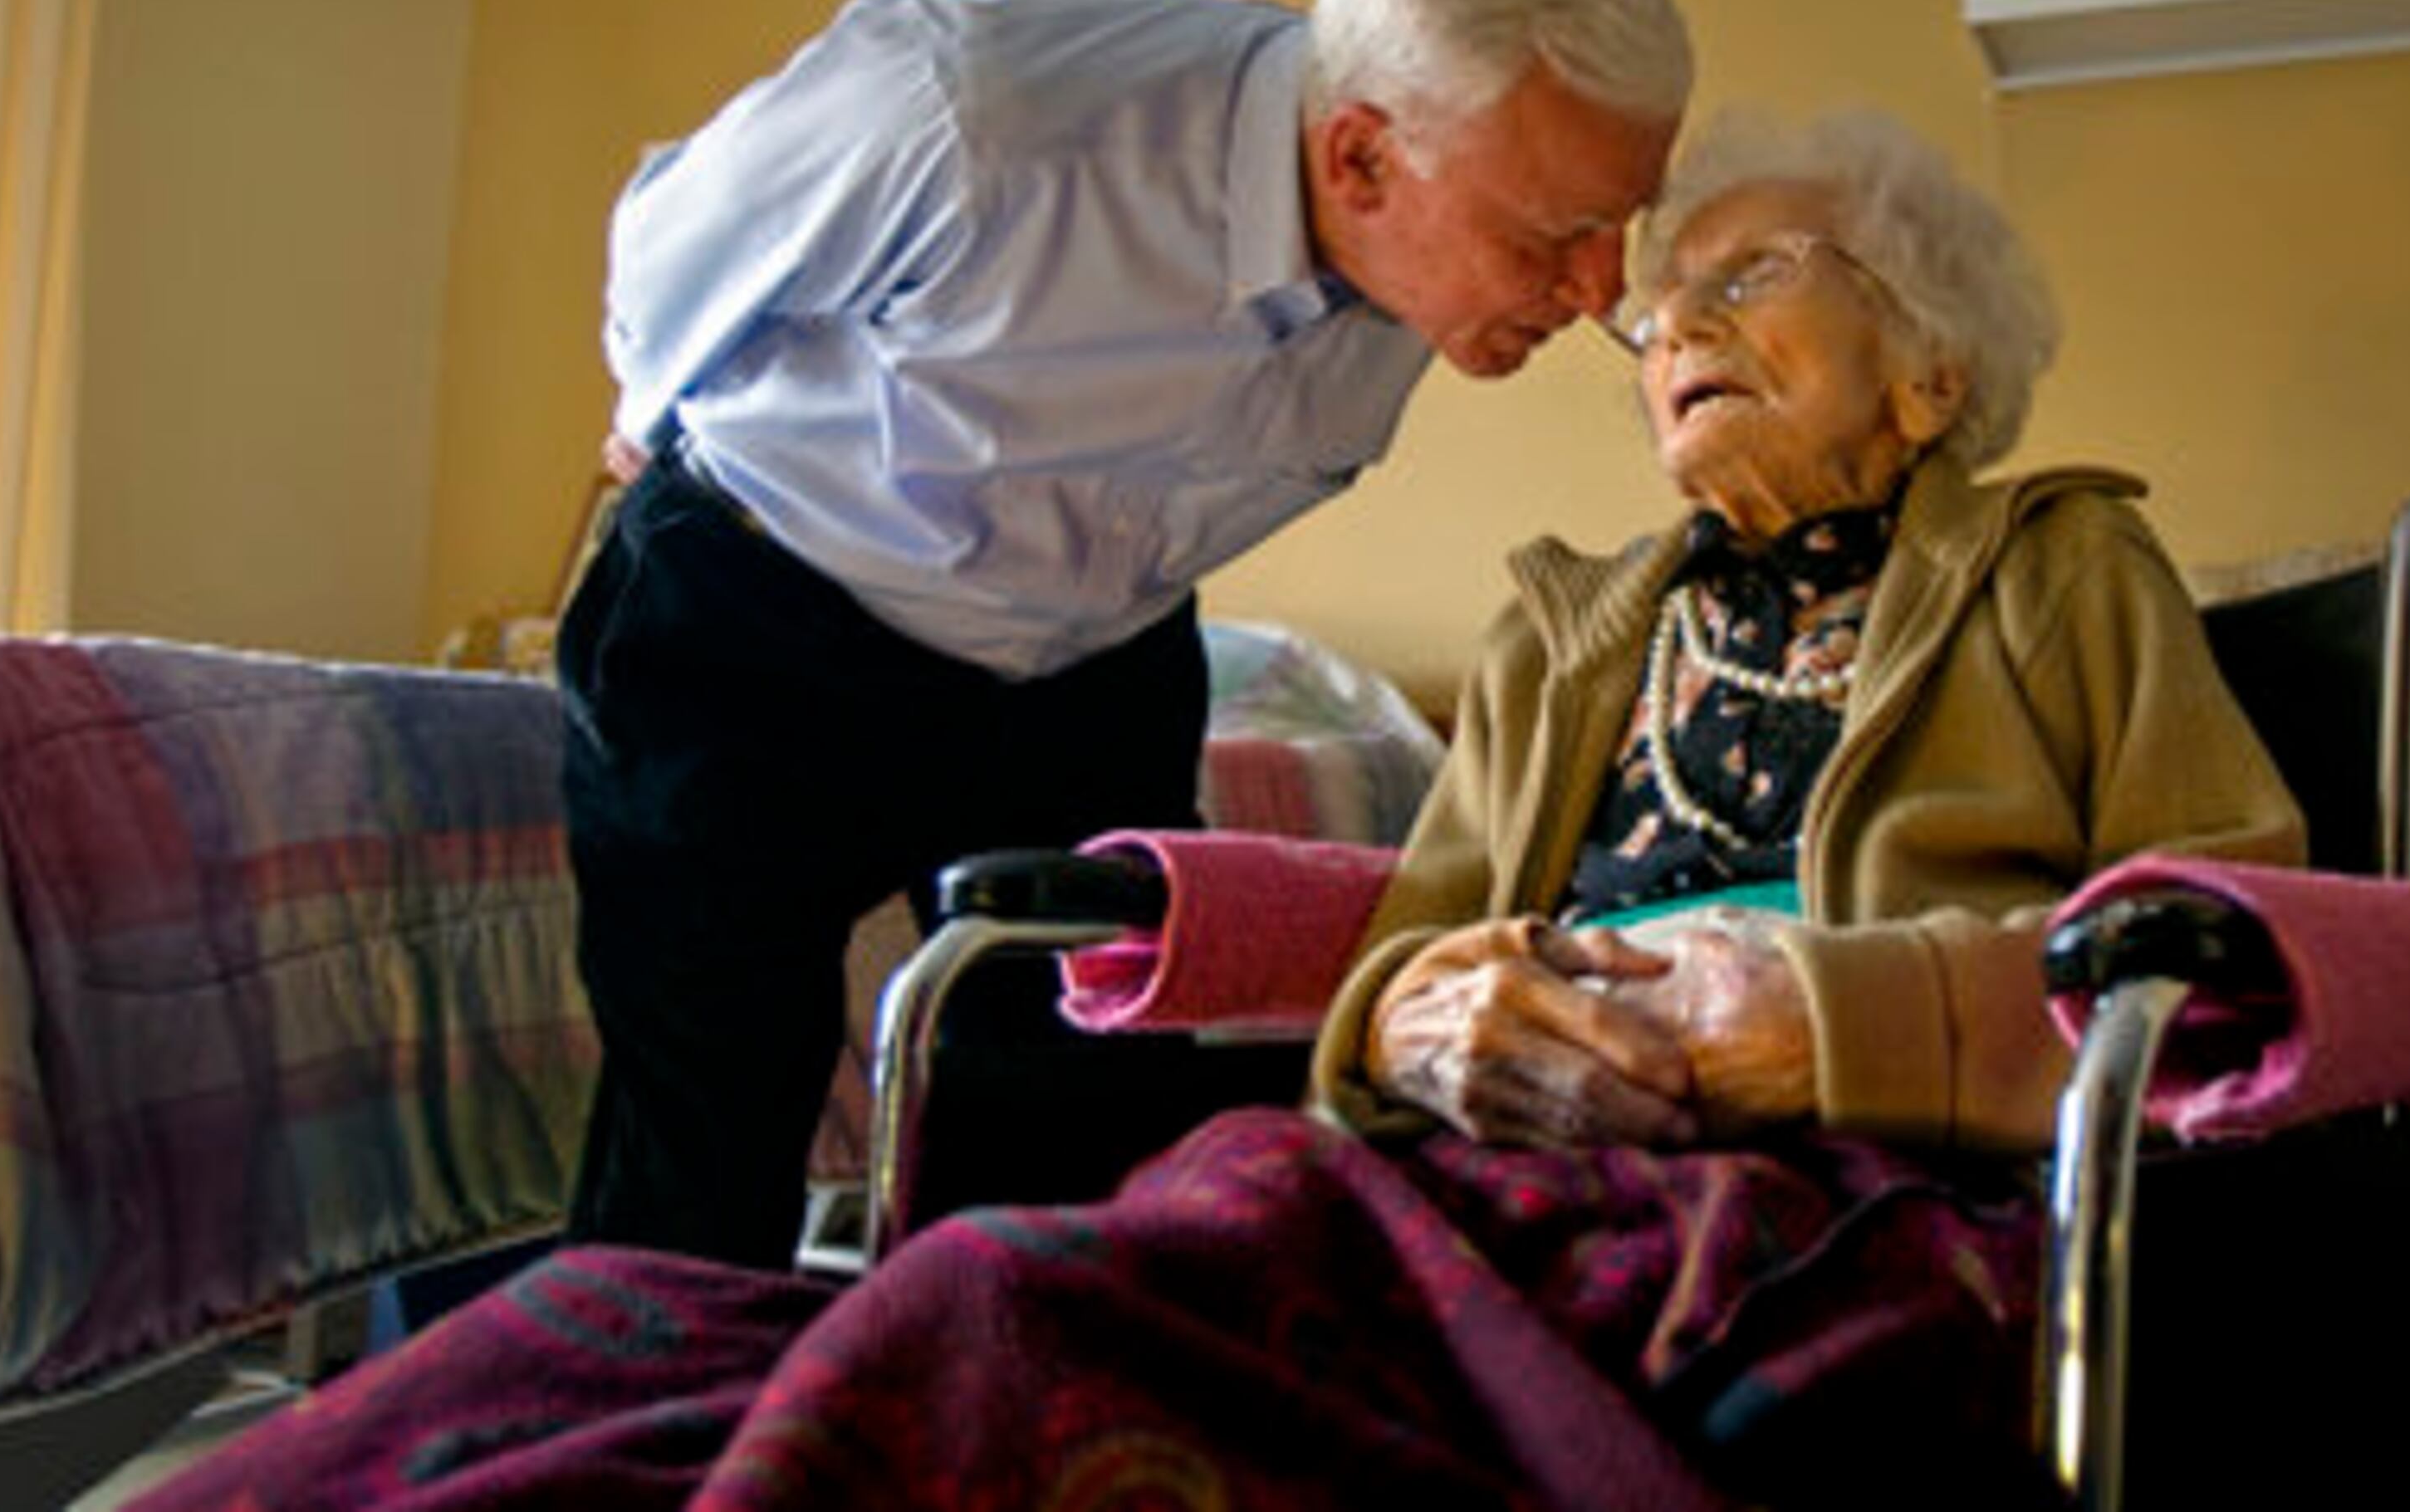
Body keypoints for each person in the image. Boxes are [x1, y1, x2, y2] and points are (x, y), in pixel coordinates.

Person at [137, 110, 2300, 1510]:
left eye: (1743, 283)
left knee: (1003, 1319)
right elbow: (1404, 963)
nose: (1661, 332)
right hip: (1485, 1168)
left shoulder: (2061, 575)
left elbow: (2244, 957)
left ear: (1929, 361)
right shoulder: (1574, 626)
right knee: (659, 1336)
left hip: (1837, 1200)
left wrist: (1809, 1021)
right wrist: (1429, 1018)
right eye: (1651, 314)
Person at [558, 0, 1692, 1268]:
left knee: (1066, 1149)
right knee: (706, 1139)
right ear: (1358, 157)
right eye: (1563, 235)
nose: (1604, 292)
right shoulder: (980, 111)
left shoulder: (1434, 233)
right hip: (758, 616)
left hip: (1091, 667)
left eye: (1620, 228)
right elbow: (674, 239)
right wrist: (649, 416)